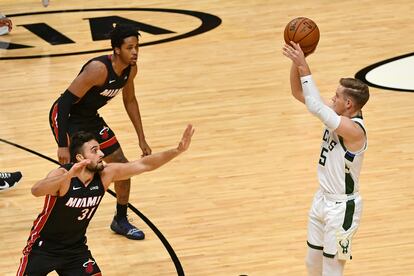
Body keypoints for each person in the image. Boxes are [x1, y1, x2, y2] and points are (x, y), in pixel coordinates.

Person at [17, 125, 194, 276]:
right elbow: (36, 190)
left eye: (99, 148)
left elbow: (144, 165)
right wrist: (69, 175)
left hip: (75, 249)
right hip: (43, 248)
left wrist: (177, 150)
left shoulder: (106, 174)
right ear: (80, 158)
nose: (102, 153)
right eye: (94, 151)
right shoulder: (62, 175)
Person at [49, 24, 152, 240]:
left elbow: (130, 100)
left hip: (90, 118)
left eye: (137, 47)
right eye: (129, 47)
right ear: (117, 50)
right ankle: (56, 225)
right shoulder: (98, 69)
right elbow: (65, 103)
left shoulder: (130, 69)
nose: (135, 52)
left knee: (123, 165)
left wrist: (142, 138)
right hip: (68, 117)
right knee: (73, 172)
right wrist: (62, 143)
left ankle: (120, 220)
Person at [282, 41, 369, 276]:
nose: (332, 98)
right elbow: (299, 92)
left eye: (337, 96)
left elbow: (316, 108)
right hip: (322, 199)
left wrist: (304, 65)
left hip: (342, 208)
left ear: (349, 104)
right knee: (312, 264)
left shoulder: (354, 131)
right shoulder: (336, 113)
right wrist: (296, 62)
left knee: (331, 270)